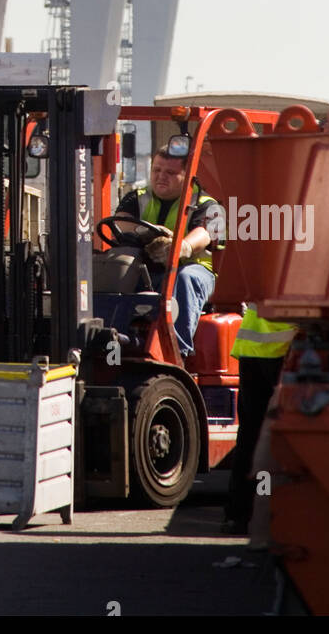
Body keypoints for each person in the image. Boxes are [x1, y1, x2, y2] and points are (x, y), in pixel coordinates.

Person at [114, 147, 225, 358]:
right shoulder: (136, 197)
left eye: (170, 173)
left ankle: (175, 353)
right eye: (156, 170)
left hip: (197, 273)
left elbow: (205, 233)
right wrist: (145, 231)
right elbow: (121, 222)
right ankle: (113, 346)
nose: (160, 176)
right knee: (112, 271)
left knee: (185, 278)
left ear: (188, 176)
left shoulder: (206, 204)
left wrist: (184, 246)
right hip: (148, 272)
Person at [222, 303, 295, 536]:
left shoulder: (267, 268)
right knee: (278, 438)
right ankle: (268, 512)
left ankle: (239, 516)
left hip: (251, 349)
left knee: (250, 436)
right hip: (280, 351)